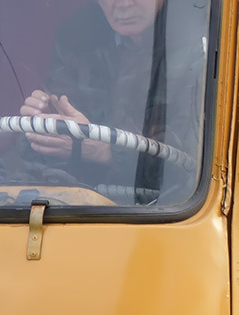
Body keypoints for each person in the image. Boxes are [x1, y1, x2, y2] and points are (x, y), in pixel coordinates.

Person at [18, 0, 207, 200]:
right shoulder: (78, 42)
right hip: (82, 211)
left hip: (171, 217)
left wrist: (106, 151)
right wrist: (46, 122)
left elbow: (198, 166)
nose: (123, 4)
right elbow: (37, 160)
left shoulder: (209, 43)